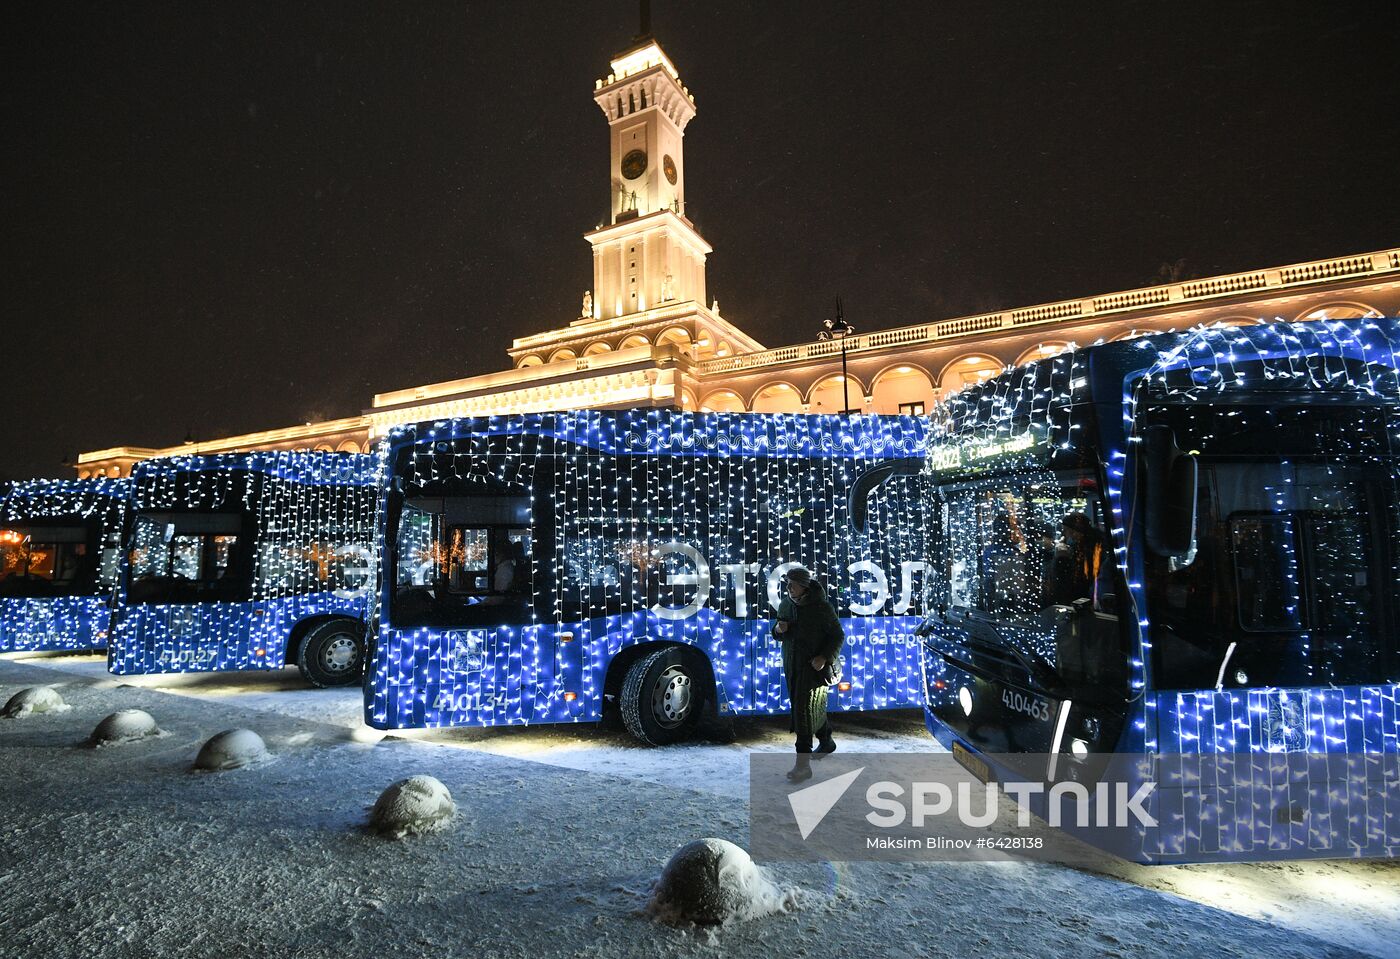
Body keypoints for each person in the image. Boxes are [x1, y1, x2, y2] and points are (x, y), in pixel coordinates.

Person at [772, 566, 845, 783]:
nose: (788, 588)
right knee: (806, 709)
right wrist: (777, 630)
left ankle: (802, 767)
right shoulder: (786, 604)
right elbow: (777, 631)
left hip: (813, 670)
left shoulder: (821, 608)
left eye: (792, 584)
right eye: (787, 584)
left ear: (804, 586)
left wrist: (824, 657)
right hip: (792, 667)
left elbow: (837, 636)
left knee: (803, 714)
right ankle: (827, 740)